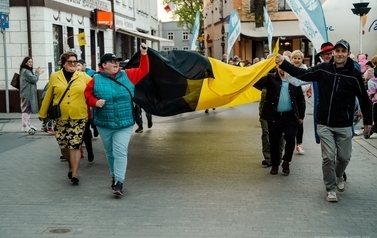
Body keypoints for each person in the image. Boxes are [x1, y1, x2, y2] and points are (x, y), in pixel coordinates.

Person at [275, 39, 373, 202]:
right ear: (333, 53)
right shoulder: (323, 69)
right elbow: (301, 74)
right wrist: (283, 63)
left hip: (344, 123)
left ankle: (339, 175)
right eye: (337, 51)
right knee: (328, 157)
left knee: (343, 157)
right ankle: (330, 188)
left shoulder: (354, 74)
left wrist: (369, 121)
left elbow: (364, 98)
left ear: (348, 54)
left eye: (343, 51)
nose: (340, 54)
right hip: (325, 123)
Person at [84, 43, 149, 197]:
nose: (116, 64)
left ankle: (119, 182)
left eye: (117, 62)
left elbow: (144, 70)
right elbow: (87, 96)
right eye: (112, 62)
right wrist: (95, 102)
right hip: (104, 123)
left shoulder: (127, 75)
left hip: (124, 122)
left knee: (120, 151)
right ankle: (114, 175)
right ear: (103, 65)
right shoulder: (95, 79)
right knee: (110, 152)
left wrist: (144, 54)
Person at [39, 51, 91, 185]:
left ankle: (75, 173)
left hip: (78, 116)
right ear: (63, 63)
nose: (73, 64)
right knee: (64, 146)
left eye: (75, 62)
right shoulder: (55, 76)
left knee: (75, 144)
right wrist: (42, 113)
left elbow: (95, 88)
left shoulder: (83, 76)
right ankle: (71, 165)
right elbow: (49, 96)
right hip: (60, 117)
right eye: (70, 62)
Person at [254, 56, 306, 175]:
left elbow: (300, 100)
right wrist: (258, 69)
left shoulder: (294, 80)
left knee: (291, 139)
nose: (282, 69)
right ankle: (275, 164)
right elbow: (256, 82)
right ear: (276, 67)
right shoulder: (271, 79)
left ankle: (286, 161)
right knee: (274, 141)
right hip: (275, 117)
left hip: (290, 117)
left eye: (284, 66)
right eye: (280, 66)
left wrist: (301, 116)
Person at [290, 50, 310, 155]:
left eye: (299, 58)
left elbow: (307, 85)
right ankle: (290, 143)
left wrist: (296, 88)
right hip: (289, 100)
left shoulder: (304, 70)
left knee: (300, 121)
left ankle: (299, 144)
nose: (297, 60)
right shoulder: (288, 69)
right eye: (295, 58)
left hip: (300, 100)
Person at [19, 57, 44, 132]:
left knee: (28, 110)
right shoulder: (25, 71)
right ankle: (24, 125)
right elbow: (34, 79)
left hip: (28, 93)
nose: (31, 63)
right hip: (27, 94)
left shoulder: (27, 70)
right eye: (29, 62)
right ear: (25, 63)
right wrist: (37, 73)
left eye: (31, 62)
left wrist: (36, 72)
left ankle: (28, 124)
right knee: (26, 109)